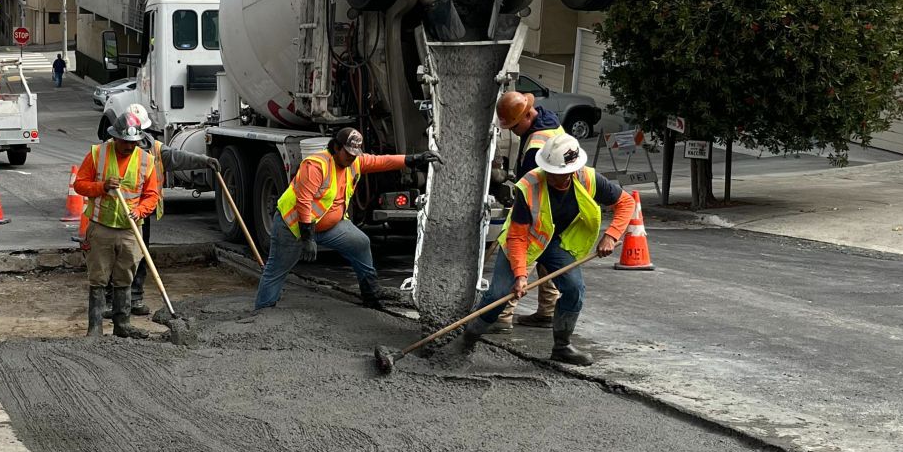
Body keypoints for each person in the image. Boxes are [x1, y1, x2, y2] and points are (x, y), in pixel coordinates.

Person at [466, 131, 634, 365]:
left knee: (574, 289)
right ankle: (468, 338)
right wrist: (521, 275)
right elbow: (516, 237)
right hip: (526, 241)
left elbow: (626, 202)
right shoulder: (529, 186)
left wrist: (611, 235)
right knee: (500, 294)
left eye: (565, 173)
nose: (561, 179)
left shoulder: (588, 178)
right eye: (555, 174)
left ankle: (562, 346)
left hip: (557, 242)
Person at [254, 126, 435, 312]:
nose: (352, 158)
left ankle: (371, 294)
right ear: (336, 148)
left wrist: (414, 159)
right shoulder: (316, 165)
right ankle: (263, 311)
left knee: (360, 243)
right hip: (293, 228)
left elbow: (381, 161)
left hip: (330, 227)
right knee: (276, 269)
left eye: (355, 154)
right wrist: (307, 238)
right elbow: (304, 201)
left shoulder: (354, 162)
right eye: (348, 153)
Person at [72, 102, 162, 338]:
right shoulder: (98, 153)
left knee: (125, 276)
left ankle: (122, 325)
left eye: (133, 143)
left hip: (130, 229)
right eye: (125, 143)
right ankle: (95, 328)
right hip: (101, 227)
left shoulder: (146, 160)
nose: (129, 147)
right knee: (99, 277)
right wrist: (102, 186)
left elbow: (152, 195)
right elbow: (79, 185)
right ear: (115, 138)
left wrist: (141, 210)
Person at [495, 89, 563, 329]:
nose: (513, 131)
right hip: (557, 206)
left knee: (523, 255)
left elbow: (530, 184)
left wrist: (520, 209)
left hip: (541, 207)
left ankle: (501, 316)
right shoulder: (549, 122)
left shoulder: (537, 144)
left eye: (514, 126)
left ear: (526, 116)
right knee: (547, 256)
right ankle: (548, 310)